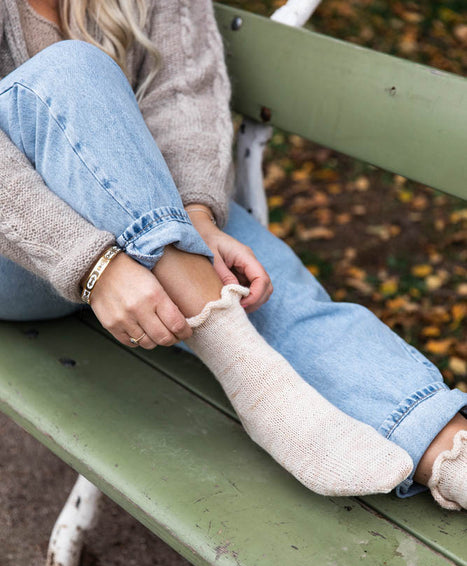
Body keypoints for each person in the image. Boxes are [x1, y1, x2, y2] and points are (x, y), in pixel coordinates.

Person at [0, 0, 466, 510]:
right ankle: (256, 383)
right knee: (71, 69)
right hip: (19, 255)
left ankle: (452, 456)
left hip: (145, 218)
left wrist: (197, 216)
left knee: (276, 300)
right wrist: (93, 264)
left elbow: (183, 96)